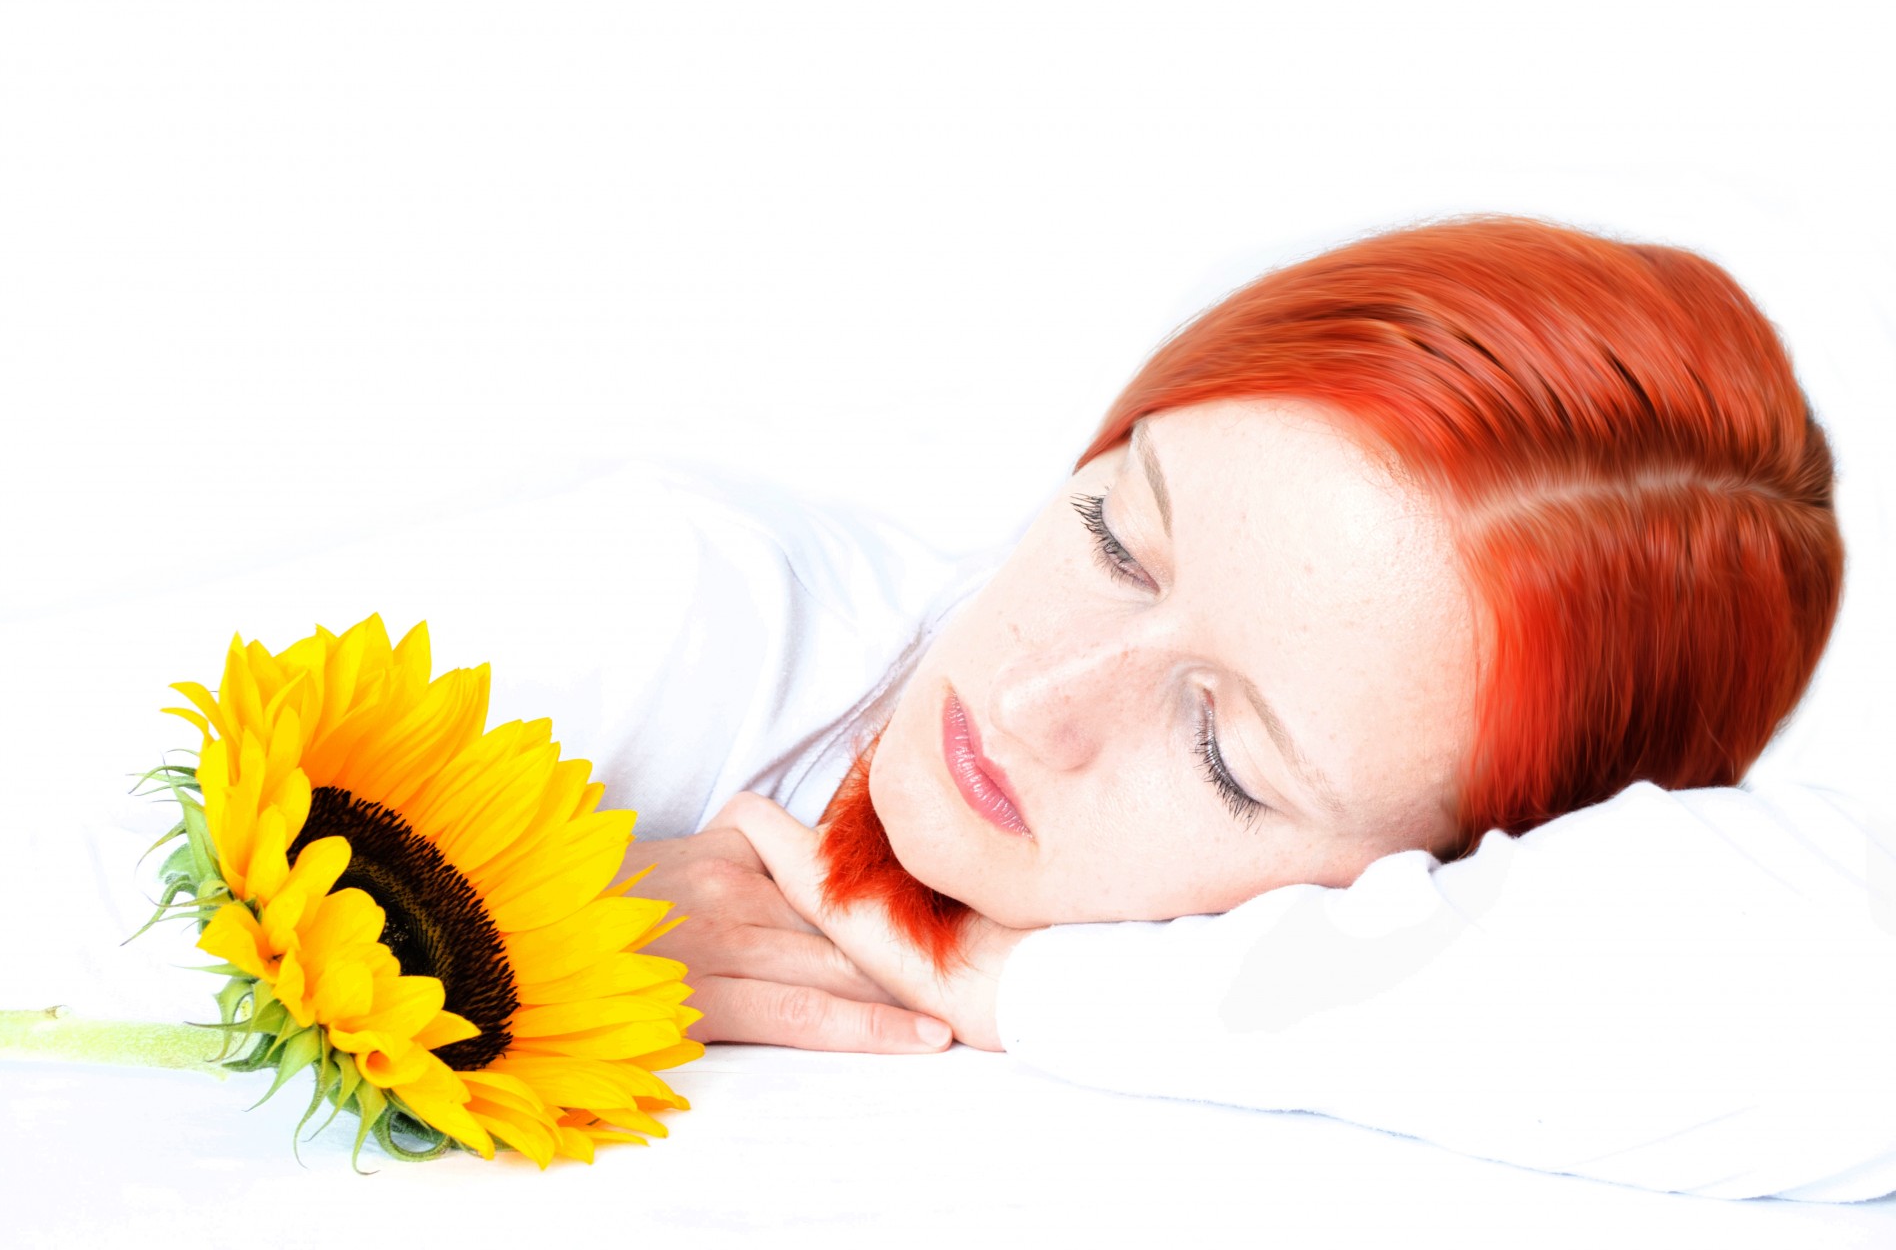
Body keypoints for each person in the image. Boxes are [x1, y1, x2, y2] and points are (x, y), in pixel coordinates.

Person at [609, 214, 1894, 1199]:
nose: (1035, 698)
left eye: (1225, 754)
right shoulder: (682, 610)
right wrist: (478, 908)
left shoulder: (1426, 961)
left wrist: (1037, 989)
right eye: (1116, 537)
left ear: (1443, 868)